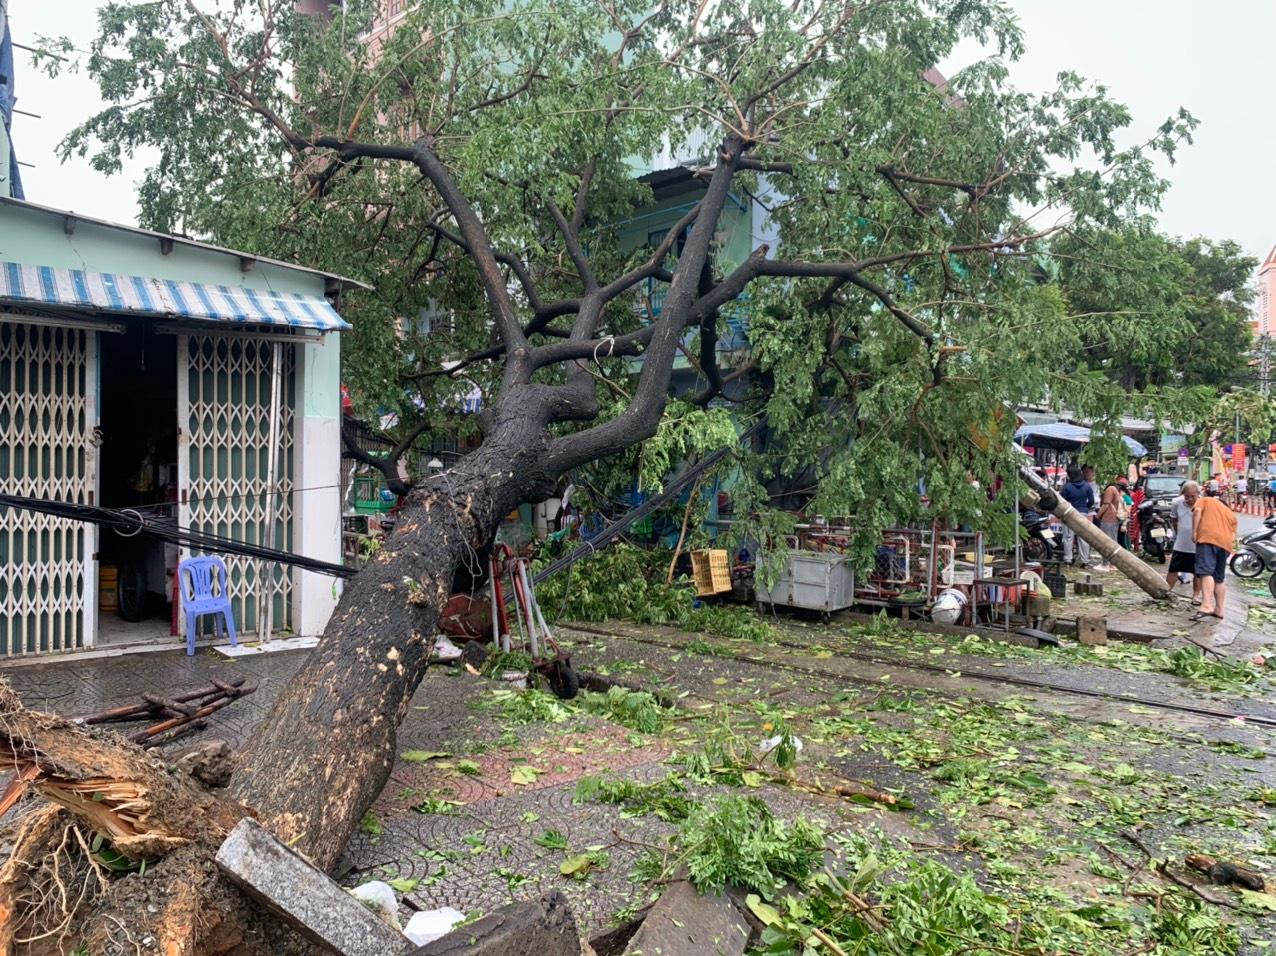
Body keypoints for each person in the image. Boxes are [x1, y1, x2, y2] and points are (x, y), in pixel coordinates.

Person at [1193, 485, 1238, 621]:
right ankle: (1219, 609)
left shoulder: (1206, 500)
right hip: (1225, 545)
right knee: (1219, 577)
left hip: (1208, 538)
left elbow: (1197, 512)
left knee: (1205, 572)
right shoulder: (1231, 514)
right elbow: (1234, 535)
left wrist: (1194, 531)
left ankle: (1207, 604)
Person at [1165, 480, 1201, 605]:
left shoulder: (1203, 503)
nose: (1189, 499)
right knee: (1174, 568)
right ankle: (1166, 591)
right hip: (1181, 542)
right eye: (1187, 496)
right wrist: (1179, 533)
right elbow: (1174, 520)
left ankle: (1196, 595)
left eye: (1193, 496)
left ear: (1198, 494)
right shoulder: (1177, 503)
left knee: (1198, 572)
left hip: (1198, 543)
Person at [1060, 466, 1094, 567]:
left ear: (1070, 475)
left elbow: (1062, 501)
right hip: (1082, 513)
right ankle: (1085, 561)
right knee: (1083, 538)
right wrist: (1085, 508)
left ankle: (1068, 560)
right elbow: (1091, 501)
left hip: (1069, 513)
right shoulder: (1087, 486)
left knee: (1068, 537)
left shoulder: (1067, 487)